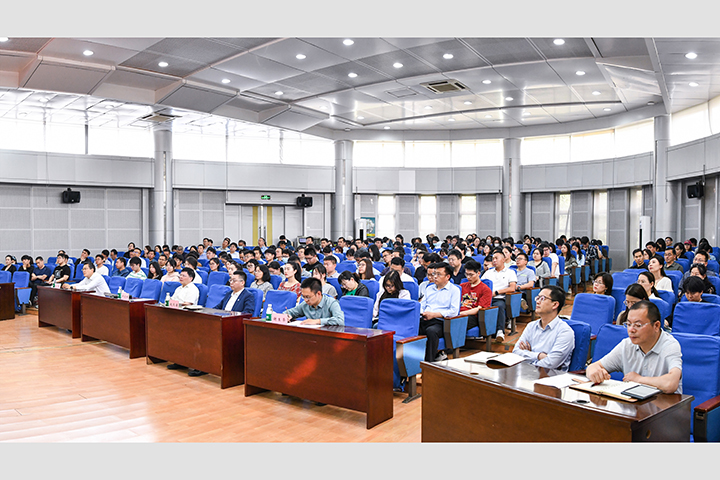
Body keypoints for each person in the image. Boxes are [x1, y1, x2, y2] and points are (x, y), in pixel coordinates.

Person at [586, 300, 682, 394]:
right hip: (633, 402)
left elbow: (671, 383)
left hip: (664, 403)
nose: (631, 330)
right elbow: (594, 367)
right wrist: (594, 373)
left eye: (638, 325)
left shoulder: (670, 346)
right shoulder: (627, 345)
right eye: (628, 324)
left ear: (656, 326)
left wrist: (639, 379)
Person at [512, 285, 575, 371]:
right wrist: (539, 356)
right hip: (526, 373)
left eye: (542, 298)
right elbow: (516, 352)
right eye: (537, 298)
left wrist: (528, 356)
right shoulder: (531, 326)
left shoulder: (565, 332)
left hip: (550, 377)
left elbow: (550, 363)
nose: (537, 302)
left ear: (555, 305)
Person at [419, 263, 461, 362]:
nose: (435, 277)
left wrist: (433, 315)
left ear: (447, 277)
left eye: (439, 274)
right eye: (434, 274)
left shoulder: (454, 290)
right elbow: (422, 305)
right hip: (425, 318)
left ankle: (429, 362)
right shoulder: (429, 288)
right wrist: (423, 313)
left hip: (442, 322)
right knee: (411, 326)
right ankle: (412, 361)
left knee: (431, 331)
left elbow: (454, 312)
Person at [481, 249, 518, 342]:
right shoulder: (488, 272)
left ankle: (500, 331)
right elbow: (481, 285)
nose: (494, 260)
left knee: (499, 306)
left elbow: (512, 288)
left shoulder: (510, 272)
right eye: (493, 258)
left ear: (503, 259)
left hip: (500, 297)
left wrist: (497, 292)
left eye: (496, 258)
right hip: (487, 297)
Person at [454, 260, 492, 336]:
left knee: (457, 323)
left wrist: (461, 313)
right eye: (466, 274)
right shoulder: (462, 286)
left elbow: (479, 309)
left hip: (472, 316)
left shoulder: (485, 289)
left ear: (478, 273)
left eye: (471, 275)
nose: (468, 277)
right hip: (457, 313)